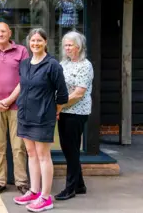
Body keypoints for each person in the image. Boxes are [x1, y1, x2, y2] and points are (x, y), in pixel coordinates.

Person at [13, 28, 68, 212]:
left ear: (46, 42)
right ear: (29, 42)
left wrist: (54, 111)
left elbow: (63, 95)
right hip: (25, 115)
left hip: (43, 116)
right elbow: (23, 86)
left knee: (44, 156)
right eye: (32, 40)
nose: (35, 44)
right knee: (31, 153)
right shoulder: (25, 63)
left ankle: (46, 197)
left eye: (39, 40)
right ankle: (34, 191)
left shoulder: (52, 65)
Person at [0, 22, 29, 196]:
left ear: (10, 33)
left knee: (18, 146)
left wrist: (9, 99)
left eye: (3, 31)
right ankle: (0, 181)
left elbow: (25, 78)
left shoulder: (22, 51)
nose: (0, 34)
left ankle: (22, 182)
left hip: (17, 105)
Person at [55, 31, 93, 201]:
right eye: (65, 45)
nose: (67, 48)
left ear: (79, 47)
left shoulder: (85, 65)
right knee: (69, 149)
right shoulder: (64, 63)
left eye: (70, 45)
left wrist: (58, 105)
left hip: (76, 113)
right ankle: (80, 185)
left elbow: (78, 93)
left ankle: (70, 189)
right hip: (64, 111)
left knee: (71, 150)